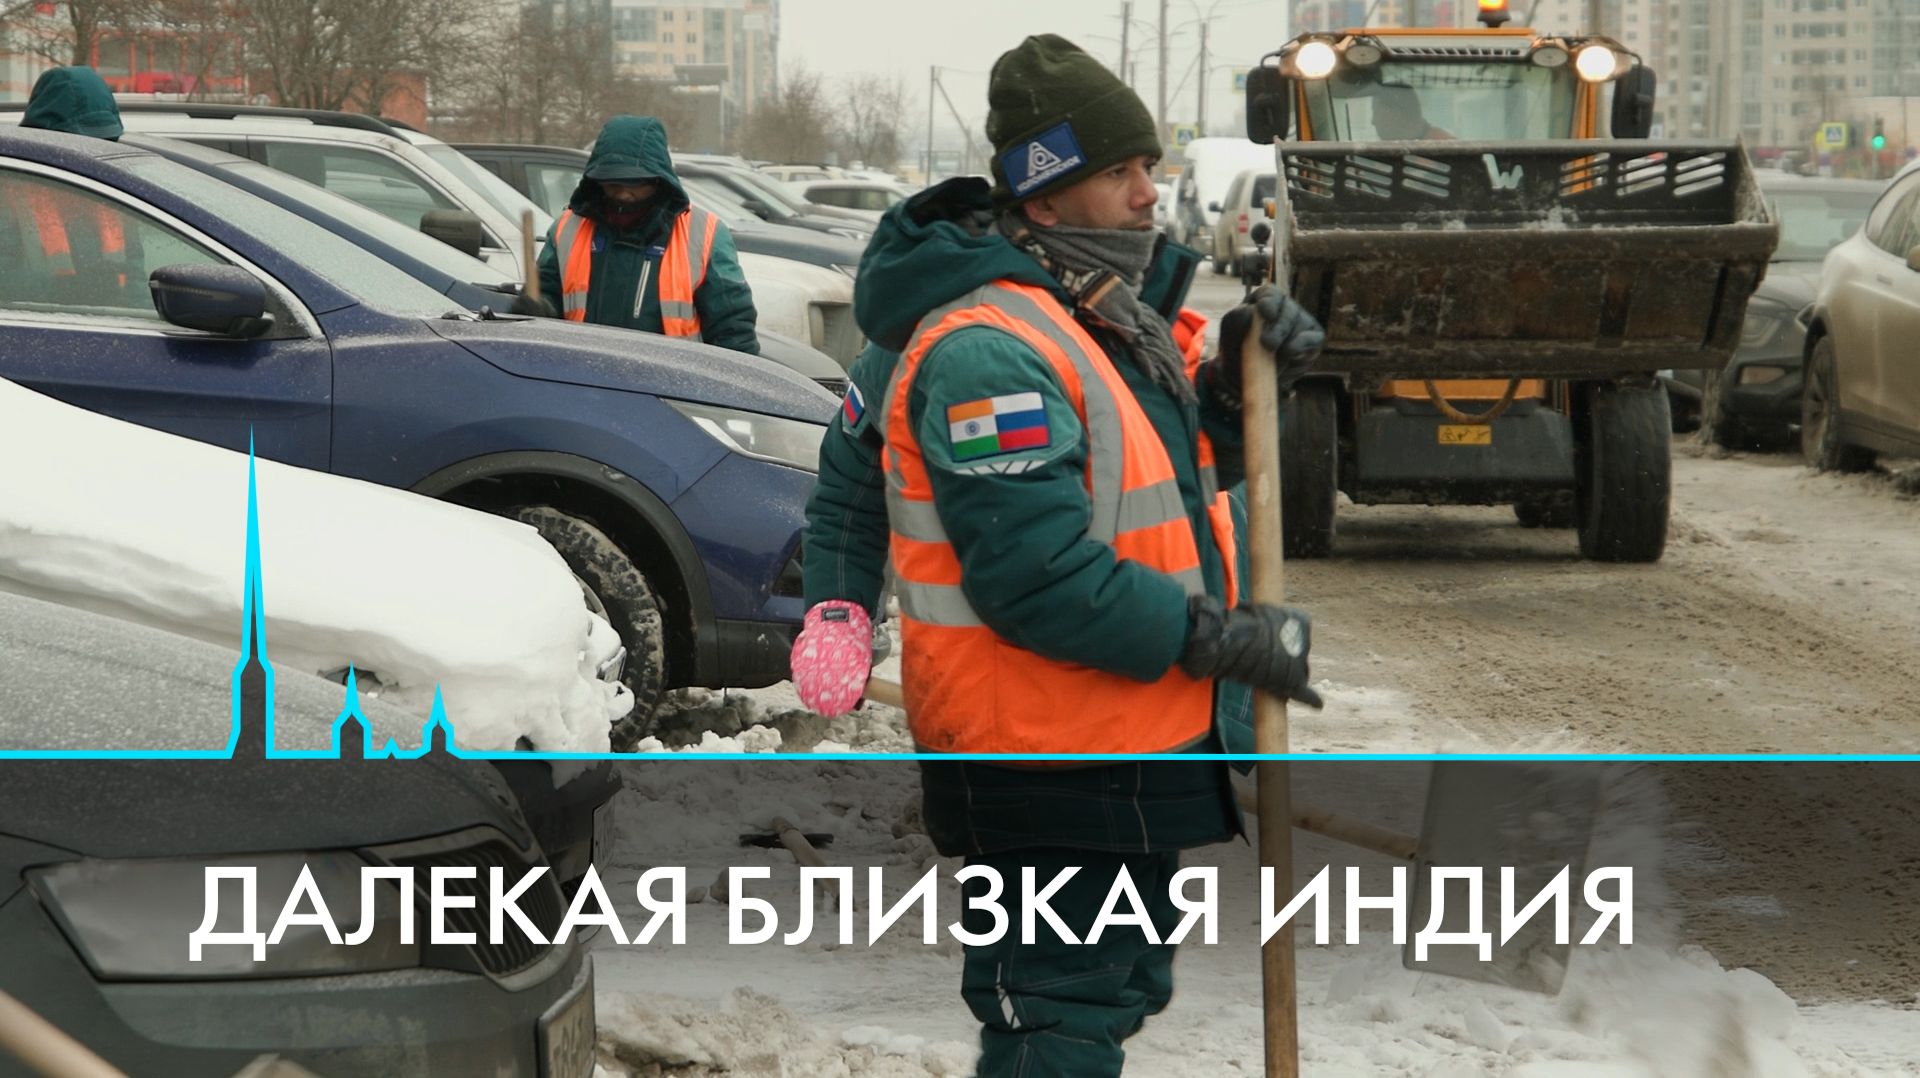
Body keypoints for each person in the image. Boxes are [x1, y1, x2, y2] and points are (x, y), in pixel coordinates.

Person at [788, 35, 1325, 1075]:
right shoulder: (991, 347)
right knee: (1059, 1013)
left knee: (1116, 988)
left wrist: (1238, 389)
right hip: (1043, 745)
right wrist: (1213, 636)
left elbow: (1155, 475)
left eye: (1149, 166)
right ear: (1043, 194)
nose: (1149, 193)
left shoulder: (1099, 313)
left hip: (1122, 729)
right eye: (1120, 171)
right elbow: (1030, 572)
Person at [535, 115, 759, 354]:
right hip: (584, 371)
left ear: (659, 181)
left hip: (672, 374)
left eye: (635, 184)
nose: (623, 194)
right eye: (613, 184)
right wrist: (539, 308)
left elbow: (733, 327)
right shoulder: (568, 228)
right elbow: (547, 293)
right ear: (596, 181)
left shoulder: (704, 234)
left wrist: (737, 374)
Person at [11, 66, 140, 307]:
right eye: (83, 141)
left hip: (116, 324)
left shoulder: (115, 196)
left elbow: (139, 281)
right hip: (41, 325)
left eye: (105, 141)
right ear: (43, 137)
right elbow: (7, 287)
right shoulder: (10, 195)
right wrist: (70, 288)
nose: (94, 152)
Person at [1372, 85, 1454, 141]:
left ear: (1397, 114)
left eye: (1377, 112)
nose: (1373, 121)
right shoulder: (1393, 149)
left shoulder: (1444, 147)